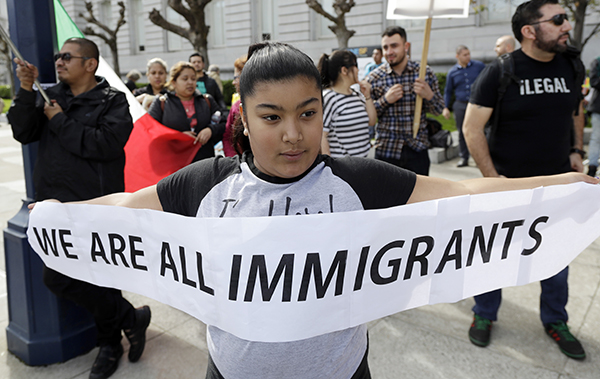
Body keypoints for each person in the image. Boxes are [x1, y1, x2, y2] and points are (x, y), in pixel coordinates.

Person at [33, 41, 598, 379]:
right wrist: (54, 214)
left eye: (307, 112)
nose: (294, 134)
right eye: (272, 117)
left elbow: (466, 195)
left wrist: (570, 183)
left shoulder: (361, 181)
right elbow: (124, 210)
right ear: (245, 121)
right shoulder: (204, 183)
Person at [7, 37, 151, 379]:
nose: (58, 61)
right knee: (58, 277)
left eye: (67, 56)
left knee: (101, 278)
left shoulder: (113, 100)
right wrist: (27, 90)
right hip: (56, 207)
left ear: (90, 64)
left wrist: (59, 121)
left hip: (96, 206)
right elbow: (23, 131)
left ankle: (110, 345)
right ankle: (131, 318)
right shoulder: (48, 95)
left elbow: (104, 144)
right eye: (58, 56)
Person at [463, 0, 587, 359]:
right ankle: (484, 314)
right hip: (507, 188)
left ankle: (555, 319)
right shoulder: (501, 70)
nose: (567, 26)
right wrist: (493, 180)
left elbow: (575, 111)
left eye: (566, 18)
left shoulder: (571, 65)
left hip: (557, 188)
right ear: (529, 31)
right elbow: (472, 129)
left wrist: (576, 150)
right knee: (492, 257)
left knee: (557, 258)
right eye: (559, 19)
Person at [368, 26, 445, 176]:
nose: (389, 52)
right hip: (387, 151)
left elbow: (439, 110)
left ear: (406, 46)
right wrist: (385, 100)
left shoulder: (423, 73)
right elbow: (368, 117)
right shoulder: (374, 77)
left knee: (421, 199)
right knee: (388, 199)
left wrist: (429, 95)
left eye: (394, 46)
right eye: (385, 47)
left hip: (417, 149)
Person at [148, 61, 225, 163]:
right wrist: (178, 136)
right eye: (185, 79)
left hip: (204, 162)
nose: (190, 82)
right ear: (174, 82)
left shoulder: (206, 100)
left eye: (193, 79)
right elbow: (150, 130)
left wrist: (210, 130)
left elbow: (224, 123)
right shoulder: (161, 102)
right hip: (173, 163)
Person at [317, 50, 376, 157]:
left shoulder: (357, 94)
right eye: (356, 66)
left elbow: (371, 121)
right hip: (341, 169)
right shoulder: (329, 98)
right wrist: (329, 165)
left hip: (363, 166)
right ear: (344, 70)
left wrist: (368, 97)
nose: (358, 70)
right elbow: (322, 135)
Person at [442, 45, 485, 167]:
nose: (468, 57)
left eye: (469, 54)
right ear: (458, 56)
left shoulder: (479, 66)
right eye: (465, 55)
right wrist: (445, 107)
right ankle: (464, 158)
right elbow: (448, 91)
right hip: (460, 105)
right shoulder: (452, 72)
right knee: (462, 132)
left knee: (479, 131)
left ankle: (479, 158)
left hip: (476, 105)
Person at [223, 55, 247, 157]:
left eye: (236, 78)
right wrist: (235, 160)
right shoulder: (236, 107)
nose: (233, 83)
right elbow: (227, 137)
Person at [586, 56, 600, 176]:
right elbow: (594, 81)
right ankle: (592, 167)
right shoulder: (597, 62)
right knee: (596, 138)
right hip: (598, 107)